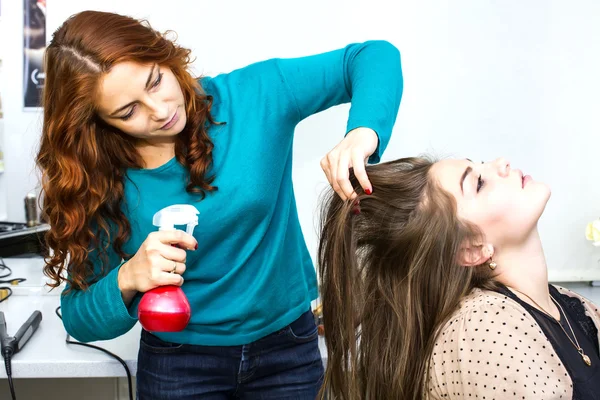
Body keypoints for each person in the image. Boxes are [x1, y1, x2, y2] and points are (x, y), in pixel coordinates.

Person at [36, 9, 403, 400]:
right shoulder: (97, 181)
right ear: (99, 122)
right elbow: (78, 317)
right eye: (129, 111)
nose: (159, 111)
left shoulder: (254, 97)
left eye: (156, 81)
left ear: (163, 54)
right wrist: (127, 279)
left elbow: (372, 56)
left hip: (288, 350)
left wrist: (363, 132)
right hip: (176, 365)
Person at [318, 156, 600, 399]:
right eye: (478, 183)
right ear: (471, 249)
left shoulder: (569, 305)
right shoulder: (485, 329)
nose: (502, 163)